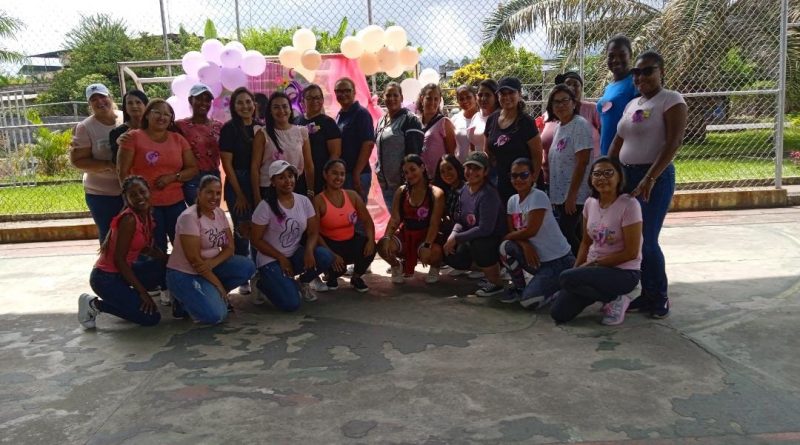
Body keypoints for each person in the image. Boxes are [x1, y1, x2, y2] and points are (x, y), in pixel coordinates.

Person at [609, 50, 688, 318]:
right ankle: (647, 293)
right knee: (633, 237)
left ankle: (660, 296)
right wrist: (607, 170)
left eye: (647, 71)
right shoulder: (633, 104)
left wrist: (650, 177)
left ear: (661, 72)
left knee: (648, 239)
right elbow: (618, 140)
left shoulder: (671, 100)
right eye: (636, 72)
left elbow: (674, 141)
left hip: (655, 177)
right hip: (626, 176)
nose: (640, 77)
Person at [550, 157, 643, 326]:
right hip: (594, 269)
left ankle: (618, 298)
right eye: (597, 174)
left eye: (608, 173)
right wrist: (577, 270)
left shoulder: (629, 204)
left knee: (566, 278)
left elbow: (631, 253)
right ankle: (603, 295)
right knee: (558, 313)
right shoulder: (590, 203)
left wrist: (592, 265)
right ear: (591, 179)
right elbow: (585, 242)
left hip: (623, 272)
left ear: (619, 177)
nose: (602, 178)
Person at [79, 176, 167, 329]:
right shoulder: (129, 219)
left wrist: (170, 259)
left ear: (149, 191)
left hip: (123, 273)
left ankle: (130, 301)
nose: (139, 197)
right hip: (105, 279)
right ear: (126, 198)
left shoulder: (147, 214)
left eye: (142, 192)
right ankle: (95, 304)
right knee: (151, 318)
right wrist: (143, 293)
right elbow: (119, 260)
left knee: (166, 267)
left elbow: (143, 248)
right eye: (133, 195)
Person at [166, 175, 255, 324]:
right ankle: (182, 300)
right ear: (199, 192)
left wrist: (212, 263)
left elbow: (229, 247)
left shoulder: (219, 213)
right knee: (216, 315)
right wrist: (219, 285)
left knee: (247, 266)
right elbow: (195, 261)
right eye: (209, 192)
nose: (214, 197)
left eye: (218, 193)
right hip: (186, 273)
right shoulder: (189, 217)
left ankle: (210, 294)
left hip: (209, 267)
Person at [250, 160, 334, 312]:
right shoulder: (265, 206)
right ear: (273, 182)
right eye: (281, 177)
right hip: (271, 260)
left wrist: (309, 251)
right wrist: (281, 258)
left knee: (324, 256)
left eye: (290, 176)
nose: (288, 180)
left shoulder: (304, 201)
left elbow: (313, 231)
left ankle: (303, 282)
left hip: (294, 255)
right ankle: (262, 283)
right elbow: (255, 240)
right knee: (291, 304)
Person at [118, 99, 198, 252]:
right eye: (157, 113)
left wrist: (173, 177)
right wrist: (131, 201)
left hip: (176, 203)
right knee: (155, 248)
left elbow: (192, 169)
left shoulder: (178, 139)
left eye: (167, 115)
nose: (162, 117)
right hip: (146, 205)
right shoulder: (133, 137)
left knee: (183, 246)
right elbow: (122, 172)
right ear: (147, 115)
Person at [498, 158, 574, 309]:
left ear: (533, 176)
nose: (518, 179)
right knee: (505, 247)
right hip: (537, 260)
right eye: (514, 175)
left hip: (558, 261)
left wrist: (510, 237)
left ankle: (560, 286)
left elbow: (531, 230)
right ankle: (520, 288)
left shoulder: (538, 196)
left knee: (529, 302)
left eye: (524, 175)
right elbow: (515, 231)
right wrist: (524, 244)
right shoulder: (512, 201)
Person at [443, 151, 507, 297]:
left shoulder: (488, 194)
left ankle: (496, 281)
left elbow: (485, 229)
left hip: (493, 239)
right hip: (473, 235)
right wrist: (452, 235)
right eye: (469, 167)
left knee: (480, 245)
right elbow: (460, 220)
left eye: (477, 168)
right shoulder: (464, 189)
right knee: (451, 252)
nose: (471, 172)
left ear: (486, 172)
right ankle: (486, 272)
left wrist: (457, 238)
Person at [377, 154, 445, 284]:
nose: (409, 175)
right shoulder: (401, 191)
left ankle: (435, 267)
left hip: (426, 236)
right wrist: (387, 237)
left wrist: (427, 245)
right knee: (382, 246)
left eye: (413, 169)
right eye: (406, 172)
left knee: (435, 252)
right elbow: (395, 218)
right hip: (406, 234)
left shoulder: (436, 193)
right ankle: (396, 266)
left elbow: (434, 223)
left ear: (422, 168)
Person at [69, 83, 123, 243]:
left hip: (130, 190)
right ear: (89, 104)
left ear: (110, 97)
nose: (99, 101)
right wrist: (108, 165)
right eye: (94, 99)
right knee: (109, 237)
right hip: (101, 194)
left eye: (102, 96)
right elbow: (78, 161)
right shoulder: (85, 127)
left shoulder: (125, 117)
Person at [314, 159, 376, 292]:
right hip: (329, 245)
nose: (339, 177)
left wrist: (371, 240)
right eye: (334, 173)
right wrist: (331, 254)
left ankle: (356, 277)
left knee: (369, 246)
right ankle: (331, 275)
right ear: (325, 174)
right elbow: (314, 233)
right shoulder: (318, 201)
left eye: (342, 174)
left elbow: (367, 221)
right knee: (335, 268)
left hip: (349, 241)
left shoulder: (352, 195)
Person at [545, 84, 593, 255]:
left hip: (574, 195)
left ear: (574, 103)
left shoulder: (579, 124)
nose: (561, 105)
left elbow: (582, 162)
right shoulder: (560, 126)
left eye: (565, 100)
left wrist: (572, 195)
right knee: (572, 233)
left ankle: (581, 264)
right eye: (556, 102)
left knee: (565, 233)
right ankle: (580, 265)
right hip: (560, 194)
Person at [484, 77, 543, 203]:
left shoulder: (526, 122)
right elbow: (488, 151)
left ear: (519, 94)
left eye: (511, 93)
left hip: (523, 183)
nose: (507, 97)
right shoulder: (492, 119)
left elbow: (537, 156)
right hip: (502, 182)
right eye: (503, 94)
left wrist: (532, 182)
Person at [219, 87, 257, 277]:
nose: (245, 106)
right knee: (242, 231)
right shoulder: (229, 129)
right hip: (237, 182)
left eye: (248, 102)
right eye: (240, 103)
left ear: (254, 104)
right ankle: (241, 275)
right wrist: (240, 194)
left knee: (259, 229)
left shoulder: (260, 127)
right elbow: (227, 164)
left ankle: (258, 273)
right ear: (233, 106)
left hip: (258, 182)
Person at [539, 72, 600, 189]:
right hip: (554, 180)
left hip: (580, 183)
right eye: (568, 84)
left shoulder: (587, 114)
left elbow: (583, 162)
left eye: (575, 84)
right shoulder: (553, 120)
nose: (571, 87)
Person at [252, 91, 314, 200]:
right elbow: (255, 166)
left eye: (285, 106)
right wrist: (257, 197)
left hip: (295, 186)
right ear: (270, 111)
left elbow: (308, 166)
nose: (281, 111)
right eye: (276, 107)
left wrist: (310, 190)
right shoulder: (262, 133)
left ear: (290, 109)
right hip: (269, 188)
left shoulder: (301, 132)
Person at [375, 81, 424, 208]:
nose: (391, 98)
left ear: (401, 98)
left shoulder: (410, 120)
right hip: (386, 186)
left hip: (404, 185)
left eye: (395, 95)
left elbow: (414, 155)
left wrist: (409, 180)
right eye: (388, 95)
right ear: (383, 97)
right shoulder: (381, 121)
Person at [175, 84, 223, 205]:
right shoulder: (180, 126)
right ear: (190, 100)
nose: (203, 103)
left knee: (212, 211)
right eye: (199, 99)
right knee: (197, 211)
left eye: (207, 100)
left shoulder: (218, 126)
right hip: (193, 177)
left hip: (214, 175)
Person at [295, 84, 342, 195]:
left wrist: (328, 176)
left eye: (317, 97)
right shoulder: (296, 121)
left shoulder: (329, 123)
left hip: (320, 175)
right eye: (309, 98)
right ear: (303, 101)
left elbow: (335, 154)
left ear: (322, 100)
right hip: (298, 175)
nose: (314, 101)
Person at [597, 35, 639, 156]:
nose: (616, 60)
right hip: (606, 154)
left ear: (630, 55)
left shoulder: (635, 83)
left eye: (622, 55)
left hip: (625, 155)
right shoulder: (609, 88)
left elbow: (640, 119)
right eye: (611, 56)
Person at [335, 77, 375, 201]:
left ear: (354, 92)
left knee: (357, 210)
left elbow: (368, 144)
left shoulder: (361, 114)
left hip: (357, 175)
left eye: (347, 90)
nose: (343, 94)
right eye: (339, 91)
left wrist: (357, 172)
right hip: (344, 175)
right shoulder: (339, 115)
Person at [417, 83, 456, 175]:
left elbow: (451, 154)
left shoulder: (444, 122)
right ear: (422, 99)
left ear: (440, 101)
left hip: (439, 176)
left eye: (436, 99)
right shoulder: (415, 122)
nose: (432, 102)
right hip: (420, 176)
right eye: (429, 98)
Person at [109, 89, 148, 166]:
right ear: (125, 107)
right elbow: (115, 162)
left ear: (146, 105)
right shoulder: (117, 133)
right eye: (130, 103)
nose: (134, 106)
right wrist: (118, 144)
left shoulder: (155, 128)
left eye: (138, 102)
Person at [451, 85, 479, 163]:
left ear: (475, 97)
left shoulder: (483, 117)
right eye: (461, 99)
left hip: (480, 166)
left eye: (468, 97)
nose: (465, 101)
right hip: (460, 165)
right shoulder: (455, 119)